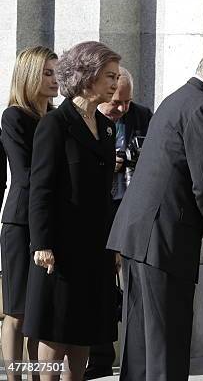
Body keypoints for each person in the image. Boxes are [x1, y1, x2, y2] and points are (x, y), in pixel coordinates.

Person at [106, 40, 203, 380]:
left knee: (140, 347)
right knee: (166, 347)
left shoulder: (175, 99)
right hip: (165, 239)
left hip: (142, 237)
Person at [23, 41, 121, 381]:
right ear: (86, 75)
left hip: (95, 249)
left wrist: (115, 243)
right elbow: (41, 188)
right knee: (56, 331)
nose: (115, 83)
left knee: (85, 331)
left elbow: (105, 194)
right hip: (61, 250)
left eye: (117, 76)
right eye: (109, 76)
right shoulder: (55, 124)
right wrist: (41, 244)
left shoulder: (107, 127)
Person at [84, 66, 152, 380]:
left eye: (127, 103)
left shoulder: (142, 117)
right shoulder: (86, 122)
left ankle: (135, 355)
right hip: (99, 211)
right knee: (100, 285)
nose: (122, 109)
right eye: (116, 103)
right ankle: (100, 356)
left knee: (134, 285)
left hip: (132, 208)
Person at [1, 46, 58, 381]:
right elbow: (22, 174)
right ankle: (14, 377)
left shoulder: (57, 117)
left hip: (49, 222)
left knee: (39, 311)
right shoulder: (14, 117)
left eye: (56, 72)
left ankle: (36, 376)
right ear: (29, 75)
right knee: (17, 310)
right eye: (47, 73)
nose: (54, 80)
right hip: (21, 221)